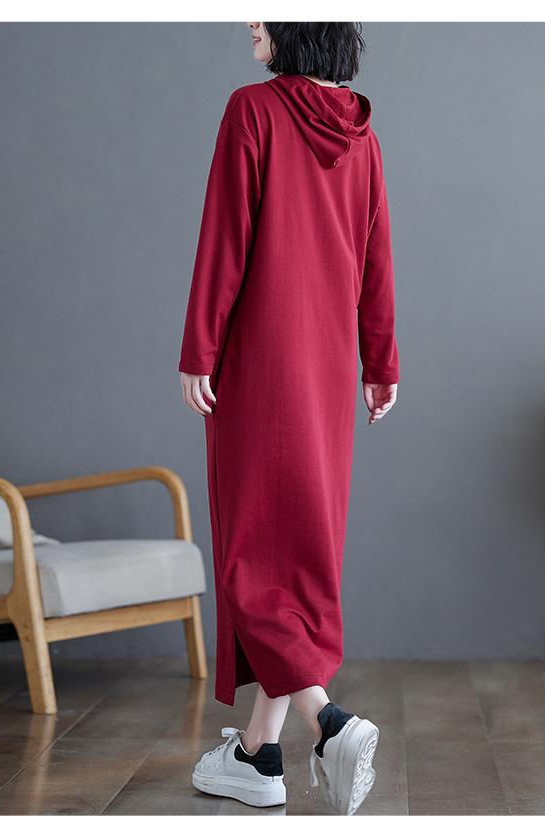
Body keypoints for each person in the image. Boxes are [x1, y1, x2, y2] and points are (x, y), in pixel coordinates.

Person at [178, 21, 400, 815]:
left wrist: (199, 347)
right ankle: (256, 756)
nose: (251, 20)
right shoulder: (363, 137)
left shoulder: (254, 110)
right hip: (329, 369)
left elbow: (225, 235)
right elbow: (376, 257)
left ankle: (329, 723)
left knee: (250, 554)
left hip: (259, 362)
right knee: (297, 550)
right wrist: (380, 364)